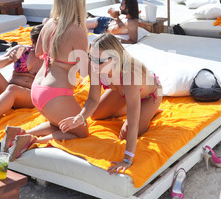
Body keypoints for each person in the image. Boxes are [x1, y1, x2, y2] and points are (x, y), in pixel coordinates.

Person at [3, 0, 89, 161]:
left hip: (38, 88)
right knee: (81, 132)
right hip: (56, 93)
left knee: (59, 123)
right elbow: (84, 71)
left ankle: (21, 133)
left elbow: (38, 53)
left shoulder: (49, 23)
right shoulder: (77, 31)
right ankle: (33, 140)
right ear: (79, 3)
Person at [58, 33, 163, 174]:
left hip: (151, 95)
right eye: (91, 57)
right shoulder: (94, 65)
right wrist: (80, 118)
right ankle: (131, 106)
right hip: (122, 91)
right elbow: (93, 99)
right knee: (95, 115)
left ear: (114, 59)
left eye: (99, 61)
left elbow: (133, 124)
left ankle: (148, 111)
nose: (94, 64)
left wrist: (127, 160)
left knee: (125, 135)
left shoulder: (130, 76)